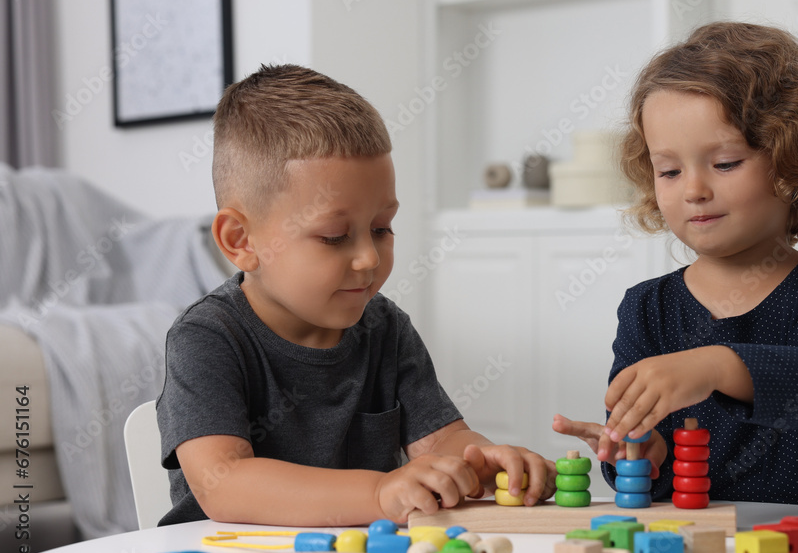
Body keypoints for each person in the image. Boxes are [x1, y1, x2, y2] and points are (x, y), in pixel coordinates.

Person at [157, 64, 554, 527]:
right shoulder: (207, 338)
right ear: (241, 241)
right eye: (333, 236)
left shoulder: (384, 327)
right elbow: (224, 485)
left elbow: (441, 441)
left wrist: (484, 462)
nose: (368, 257)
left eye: (382, 228)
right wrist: (379, 492)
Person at [553, 22, 798, 509]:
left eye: (724, 163)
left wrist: (717, 364)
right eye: (669, 170)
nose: (693, 190)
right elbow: (630, 449)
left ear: (791, 162)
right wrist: (636, 453)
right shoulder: (648, 307)